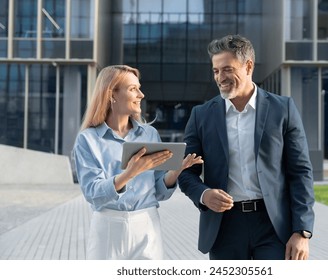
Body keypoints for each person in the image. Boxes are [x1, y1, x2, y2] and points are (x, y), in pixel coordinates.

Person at [178, 35, 315, 260]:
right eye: (215, 71)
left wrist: (302, 231)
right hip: (224, 227)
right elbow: (185, 172)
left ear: (248, 66)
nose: (220, 78)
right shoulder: (201, 116)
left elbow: (300, 173)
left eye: (227, 69)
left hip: (274, 226)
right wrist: (204, 194)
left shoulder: (283, 109)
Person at [72, 65, 202, 260]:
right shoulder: (87, 140)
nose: (141, 95)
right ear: (112, 94)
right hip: (108, 227)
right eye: (133, 89)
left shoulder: (150, 134)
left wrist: (175, 171)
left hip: (147, 225)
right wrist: (129, 173)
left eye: (139, 88)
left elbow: (159, 191)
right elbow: (93, 194)